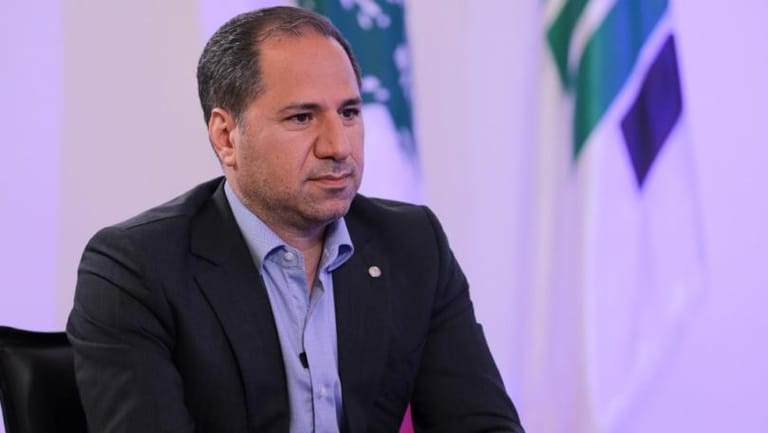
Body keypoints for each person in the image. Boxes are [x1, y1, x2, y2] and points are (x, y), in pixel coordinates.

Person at [67, 6, 524, 433]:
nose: (338, 146)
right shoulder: (137, 267)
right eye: (303, 117)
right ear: (226, 137)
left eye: (349, 113)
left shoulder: (412, 244)